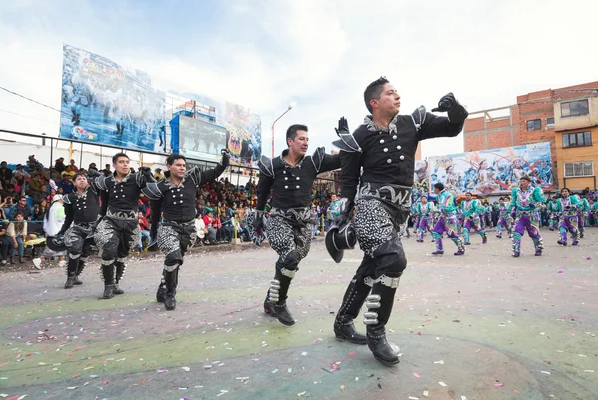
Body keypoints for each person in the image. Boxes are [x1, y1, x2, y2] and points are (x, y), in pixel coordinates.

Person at [330, 77, 468, 365]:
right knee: (393, 259)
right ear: (375, 102)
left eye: (397, 91)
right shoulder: (359, 136)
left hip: (399, 211)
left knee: (372, 266)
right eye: (390, 93)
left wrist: (453, 108)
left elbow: (453, 128)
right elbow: (349, 179)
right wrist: (345, 214)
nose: (398, 96)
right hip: (370, 205)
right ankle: (375, 329)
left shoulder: (412, 123)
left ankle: (343, 322)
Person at [249, 124, 340, 326]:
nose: (306, 143)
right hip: (278, 219)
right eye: (301, 139)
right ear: (290, 141)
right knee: (289, 257)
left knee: (292, 261)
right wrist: (258, 214)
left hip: (304, 222)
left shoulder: (313, 163)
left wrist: (347, 138)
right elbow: (262, 193)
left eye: (307, 139)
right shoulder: (272, 166)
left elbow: (342, 159)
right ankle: (280, 302)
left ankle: (270, 299)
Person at [143, 150, 229, 310]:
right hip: (169, 227)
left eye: (184, 165)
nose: (182, 168)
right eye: (178, 165)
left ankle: (162, 288)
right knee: (174, 257)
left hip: (188, 229)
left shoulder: (193, 178)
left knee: (174, 262)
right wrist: (154, 231)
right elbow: (154, 213)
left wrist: (225, 160)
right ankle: (170, 294)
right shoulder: (159, 187)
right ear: (169, 166)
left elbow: (216, 172)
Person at [94, 153, 154, 299]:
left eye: (127, 162)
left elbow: (154, 191)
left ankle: (115, 283)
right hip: (110, 221)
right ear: (114, 165)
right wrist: (98, 221)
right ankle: (107, 286)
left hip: (131, 223)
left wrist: (149, 176)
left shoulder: (137, 178)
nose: (125, 164)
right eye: (121, 162)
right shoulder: (106, 182)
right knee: (108, 250)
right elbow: (104, 205)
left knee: (122, 254)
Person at [55, 174, 101, 288]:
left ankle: (76, 276)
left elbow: (102, 182)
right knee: (75, 249)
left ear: (87, 181)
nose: (82, 181)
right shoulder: (69, 197)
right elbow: (69, 217)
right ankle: (70, 278)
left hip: (93, 228)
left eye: (84, 179)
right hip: (78, 228)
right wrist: (62, 231)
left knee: (86, 252)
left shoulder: (94, 190)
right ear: (74, 183)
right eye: (79, 179)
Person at [509, 176, 546, 257]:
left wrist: (535, 205)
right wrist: (511, 210)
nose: (521, 183)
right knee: (516, 232)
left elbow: (542, 202)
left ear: (529, 182)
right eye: (521, 181)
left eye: (524, 181)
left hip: (532, 215)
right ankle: (516, 250)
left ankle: (538, 248)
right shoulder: (516, 191)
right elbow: (513, 202)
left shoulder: (535, 190)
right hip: (520, 215)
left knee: (534, 233)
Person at [32, 195, 67, 271]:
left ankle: (61, 260)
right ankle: (39, 259)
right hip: (58, 230)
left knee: (61, 245)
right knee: (51, 249)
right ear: (59, 200)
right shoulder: (60, 208)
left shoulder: (50, 209)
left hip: (51, 231)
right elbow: (61, 218)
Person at [431, 183, 465, 255]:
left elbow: (445, 207)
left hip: (450, 218)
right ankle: (440, 249)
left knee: (452, 234)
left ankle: (461, 248)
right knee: (436, 232)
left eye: (434, 188)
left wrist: (435, 209)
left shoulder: (447, 195)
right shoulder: (439, 196)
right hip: (443, 217)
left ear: (437, 189)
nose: (434, 190)